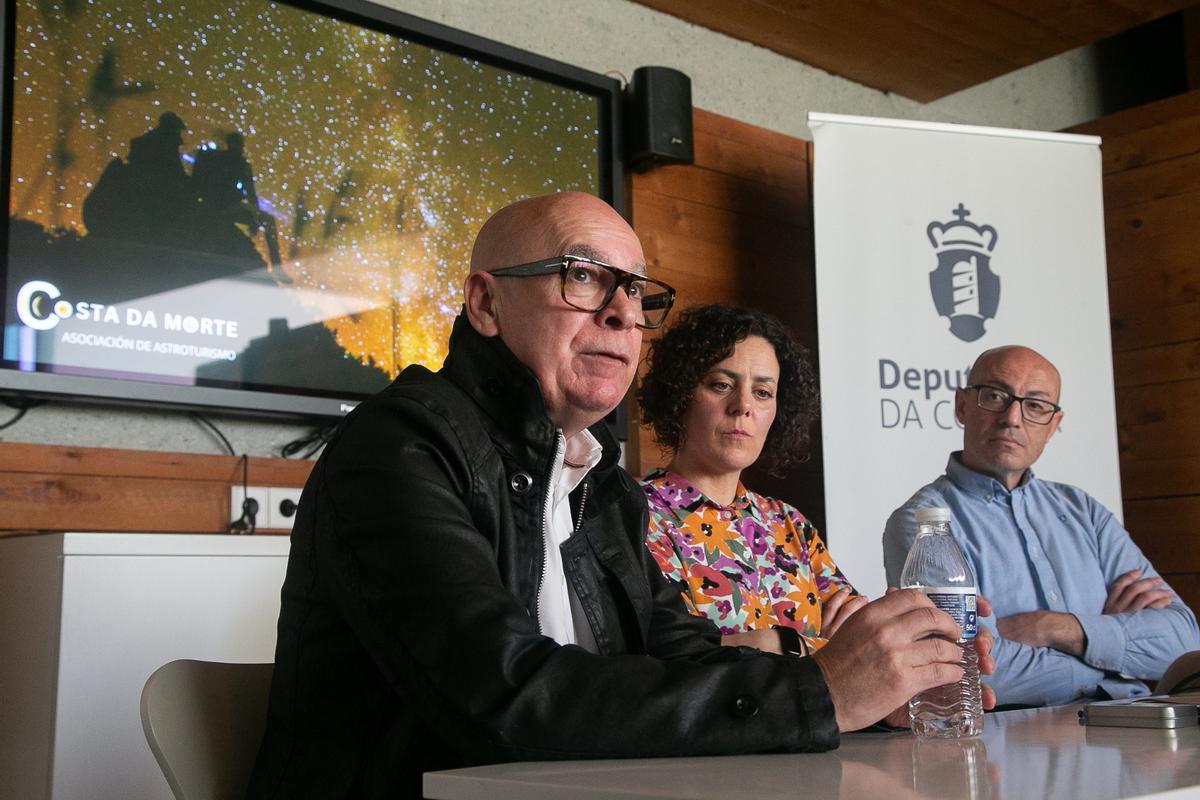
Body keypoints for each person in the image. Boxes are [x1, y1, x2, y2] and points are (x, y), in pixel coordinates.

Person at [248, 192, 994, 798]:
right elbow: (502, 696)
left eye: (635, 291)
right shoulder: (395, 449)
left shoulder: (598, 484)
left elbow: (686, 657)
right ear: (484, 303)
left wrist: (871, 696)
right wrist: (821, 694)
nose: (621, 313)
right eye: (582, 275)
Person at [883, 344, 1199, 707]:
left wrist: (1055, 628)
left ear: (1053, 426)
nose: (1013, 418)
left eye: (1035, 406)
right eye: (996, 396)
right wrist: (1112, 654)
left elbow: (1185, 644)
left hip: (1132, 728)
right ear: (962, 406)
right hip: (1010, 743)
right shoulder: (925, 523)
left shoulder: (1085, 512)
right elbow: (970, 668)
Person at [638, 304, 867, 657]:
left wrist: (773, 645)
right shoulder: (637, 514)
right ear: (680, 395)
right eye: (721, 384)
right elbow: (676, 658)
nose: (743, 405)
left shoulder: (791, 525)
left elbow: (858, 644)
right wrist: (808, 648)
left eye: (762, 392)